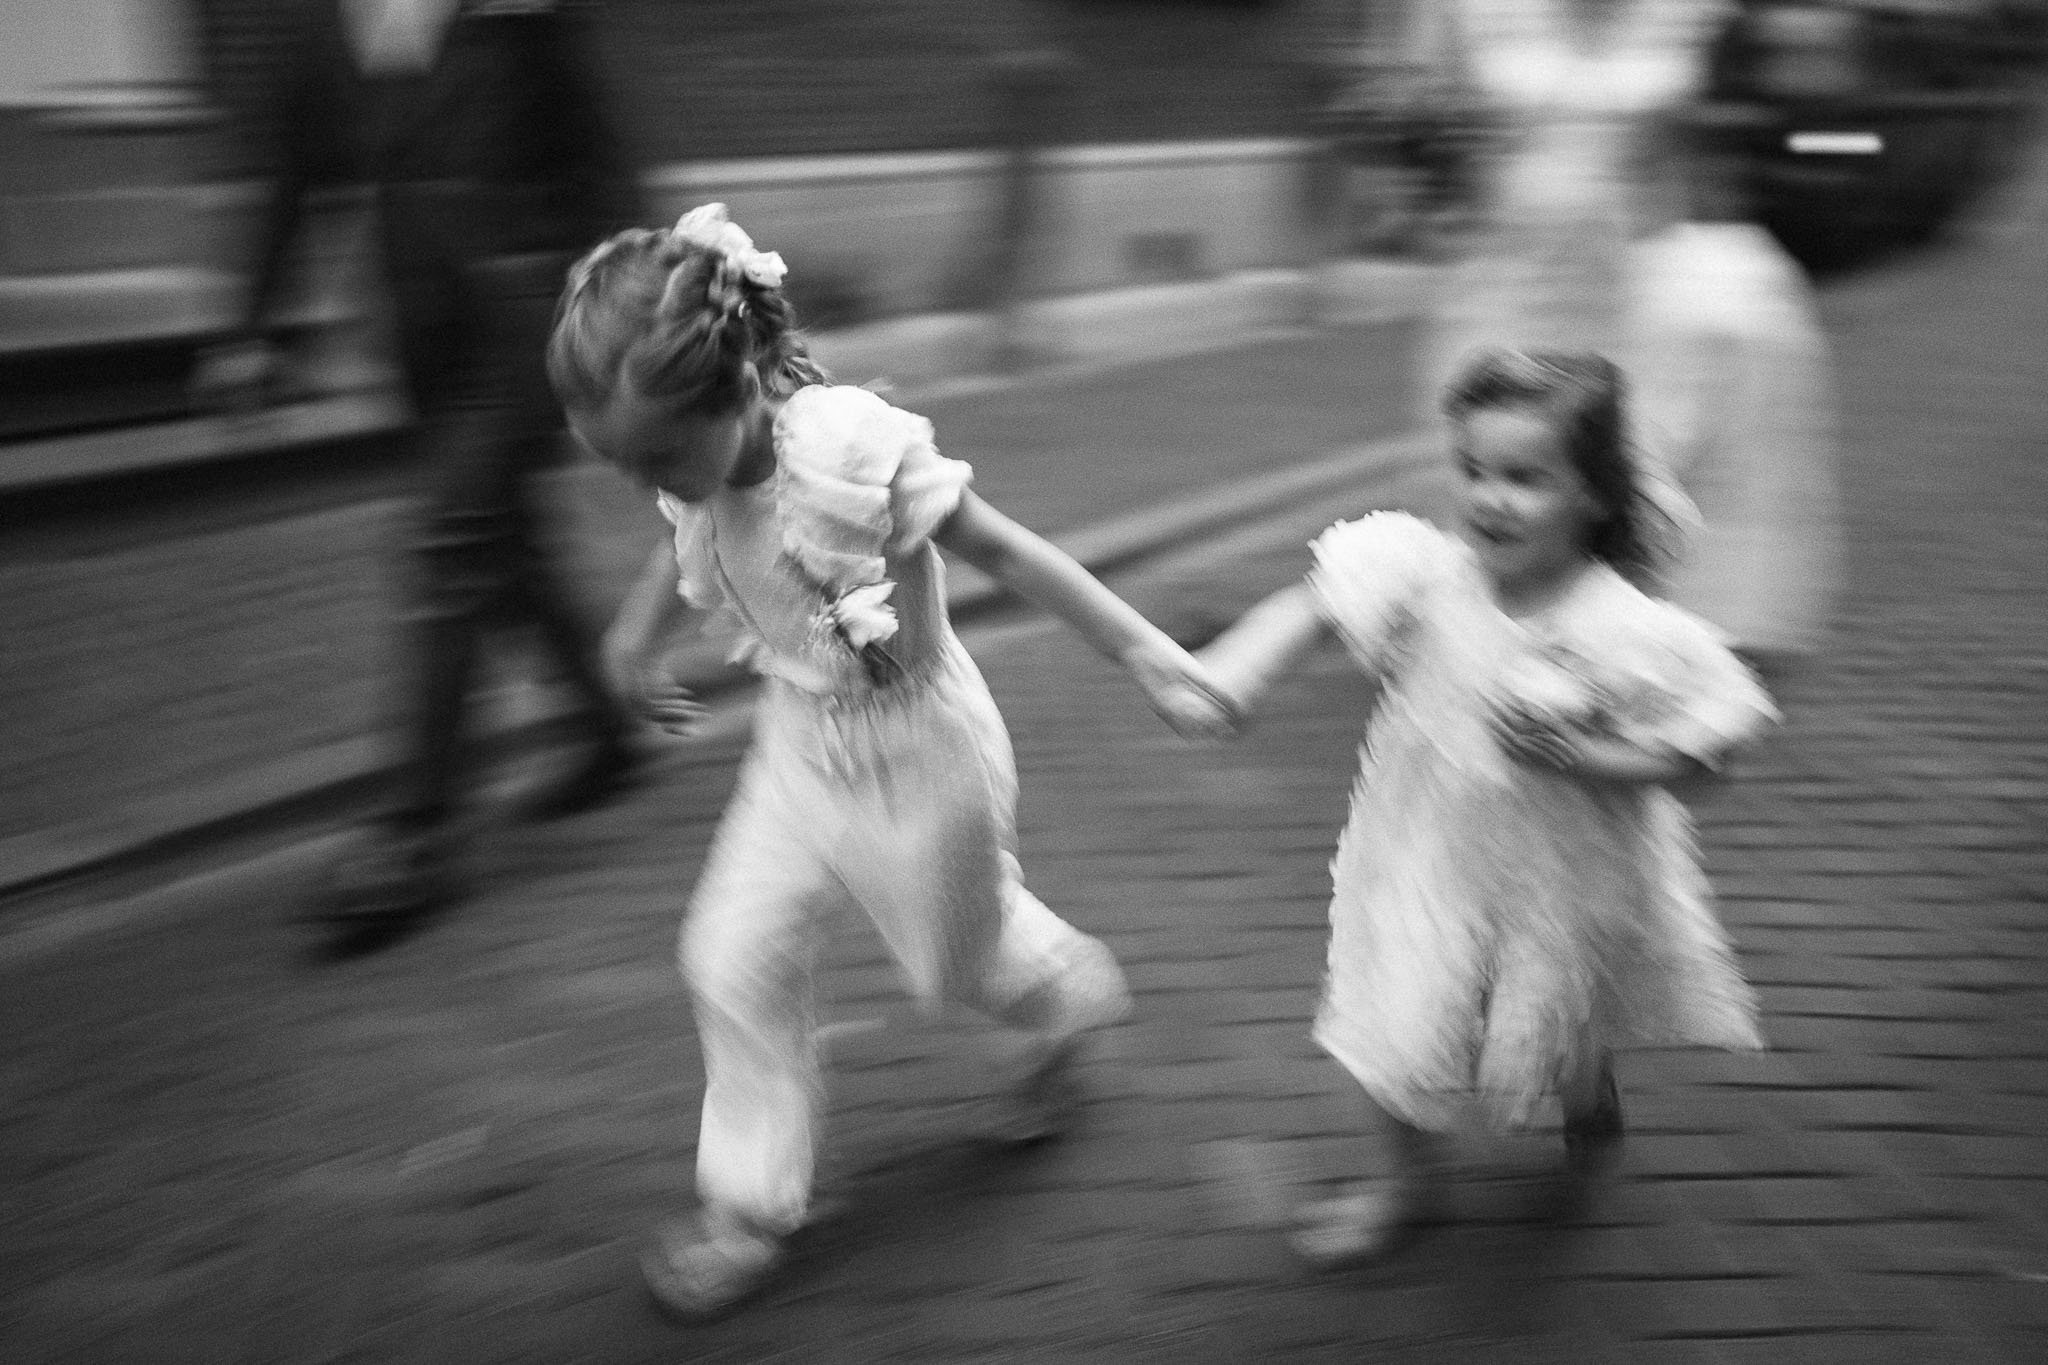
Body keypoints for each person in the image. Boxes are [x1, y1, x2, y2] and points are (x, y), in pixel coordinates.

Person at [547, 204, 1239, 1317]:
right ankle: (747, 1204)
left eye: (659, 457)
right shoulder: (691, 462)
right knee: (728, 956)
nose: (651, 486)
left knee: (957, 972)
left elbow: (1006, 549)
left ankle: (1069, 996)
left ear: (733, 387)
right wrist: (634, 640)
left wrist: (1148, 654)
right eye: (624, 467)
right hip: (796, 752)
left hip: (926, 756)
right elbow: (689, 517)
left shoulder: (850, 449)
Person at [1195, 350, 1774, 1266]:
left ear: (1590, 493)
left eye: (1524, 478)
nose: (1490, 497)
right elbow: (1310, 603)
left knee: (1561, 1021)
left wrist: (1589, 754)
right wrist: (1233, 671)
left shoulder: (1628, 626)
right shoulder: (1426, 573)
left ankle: (1589, 1094)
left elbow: (1709, 757)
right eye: (1473, 471)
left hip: (1565, 875)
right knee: (1391, 1013)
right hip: (1428, 854)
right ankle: (1406, 1186)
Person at [201, 0, 647, 942]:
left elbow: (607, 157)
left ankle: (417, 837)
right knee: (506, 549)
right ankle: (609, 726)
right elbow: (294, 176)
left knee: (449, 543)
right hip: (424, 345)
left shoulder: (523, 13)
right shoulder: (323, 28)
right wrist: (250, 329)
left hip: (531, 332)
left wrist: (628, 312)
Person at [1405, 0, 1738, 421]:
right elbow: (1430, 136)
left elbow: (1704, 154)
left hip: (1639, 284)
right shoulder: (1472, 11)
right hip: (1508, 281)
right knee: (1491, 449)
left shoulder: (1696, 13)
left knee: (1633, 451)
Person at [1628, 118, 1842, 661]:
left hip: (1690, 598)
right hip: (1779, 586)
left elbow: (1658, 449)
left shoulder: (1676, 284)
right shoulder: (1767, 270)